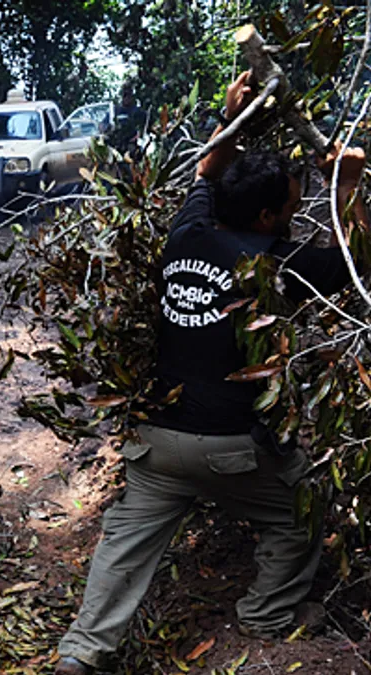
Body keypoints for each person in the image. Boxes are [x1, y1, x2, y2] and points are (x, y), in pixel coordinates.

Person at [55, 72, 367, 674]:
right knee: (302, 504)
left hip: (156, 440)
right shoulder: (276, 263)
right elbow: (359, 265)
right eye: (295, 204)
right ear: (271, 214)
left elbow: (205, 169)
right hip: (231, 447)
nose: (300, 211)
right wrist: (348, 184)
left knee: (125, 543)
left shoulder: (186, 232)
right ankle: (265, 613)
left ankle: (82, 652)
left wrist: (235, 116)